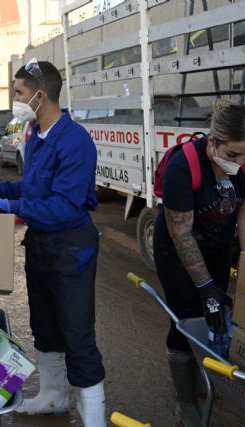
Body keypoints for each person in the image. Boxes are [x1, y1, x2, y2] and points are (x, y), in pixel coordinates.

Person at [0, 59, 105, 426]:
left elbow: (63, 206)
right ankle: (54, 397)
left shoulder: (74, 141)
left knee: (77, 335)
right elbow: (32, 189)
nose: (16, 98)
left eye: (20, 93)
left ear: (40, 95)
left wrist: (8, 206)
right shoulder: (35, 134)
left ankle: (94, 418)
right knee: (45, 326)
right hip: (41, 245)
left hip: (71, 247)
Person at [153, 100, 245, 427]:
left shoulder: (242, 165)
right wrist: (205, 288)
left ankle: (206, 377)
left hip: (217, 246)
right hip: (177, 249)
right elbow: (181, 235)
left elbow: (242, 212)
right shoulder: (184, 167)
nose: (239, 162)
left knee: (218, 315)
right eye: (232, 155)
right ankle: (184, 402)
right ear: (213, 142)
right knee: (187, 317)